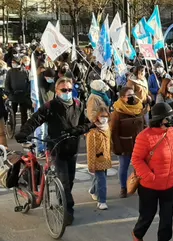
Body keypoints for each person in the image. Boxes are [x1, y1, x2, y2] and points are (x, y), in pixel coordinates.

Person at [16, 77, 90, 224]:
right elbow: (35, 120)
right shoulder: (50, 106)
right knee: (64, 181)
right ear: (57, 91)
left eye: (70, 90)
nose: (67, 92)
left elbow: (86, 123)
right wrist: (23, 133)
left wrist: (77, 130)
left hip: (72, 148)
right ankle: (67, 211)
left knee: (70, 179)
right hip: (56, 148)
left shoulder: (78, 104)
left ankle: (63, 200)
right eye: (64, 90)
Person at [131, 103, 173, 241]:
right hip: (150, 185)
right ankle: (137, 233)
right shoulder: (144, 136)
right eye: (169, 118)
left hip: (170, 182)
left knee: (167, 215)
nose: (172, 120)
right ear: (160, 119)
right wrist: (149, 176)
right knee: (148, 214)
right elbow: (136, 159)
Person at [110, 86, 145, 198]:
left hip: (139, 143)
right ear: (122, 98)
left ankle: (138, 186)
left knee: (139, 167)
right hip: (125, 144)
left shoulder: (139, 108)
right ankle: (123, 188)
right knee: (124, 166)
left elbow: (144, 125)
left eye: (133, 95)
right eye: (129, 96)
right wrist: (117, 147)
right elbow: (114, 132)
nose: (132, 97)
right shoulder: (118, 112)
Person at [87, 106, 111, 210]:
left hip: (105, 158)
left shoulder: (107, 127)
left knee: (100, 178)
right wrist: (91, 165)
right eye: (102, 116)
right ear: (97, 117)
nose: (104, 118)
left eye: (106, 116)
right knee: (102, 181)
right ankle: (102, 201)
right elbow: (90, 150)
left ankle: (93, 190)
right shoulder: (92, 132)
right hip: (97, 160)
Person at [5, 56, 30, 126]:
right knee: (13, 111)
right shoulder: (10, 72)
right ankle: (12, 124)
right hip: (13, 95)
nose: (13, 64)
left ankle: (23, 128)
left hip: (23, 96)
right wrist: (9, 93)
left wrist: (27, 93)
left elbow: (29, 83)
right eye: (12, 62)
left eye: (14, 62)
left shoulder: (25, 71)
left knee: (24, 113)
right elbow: (7, 83)